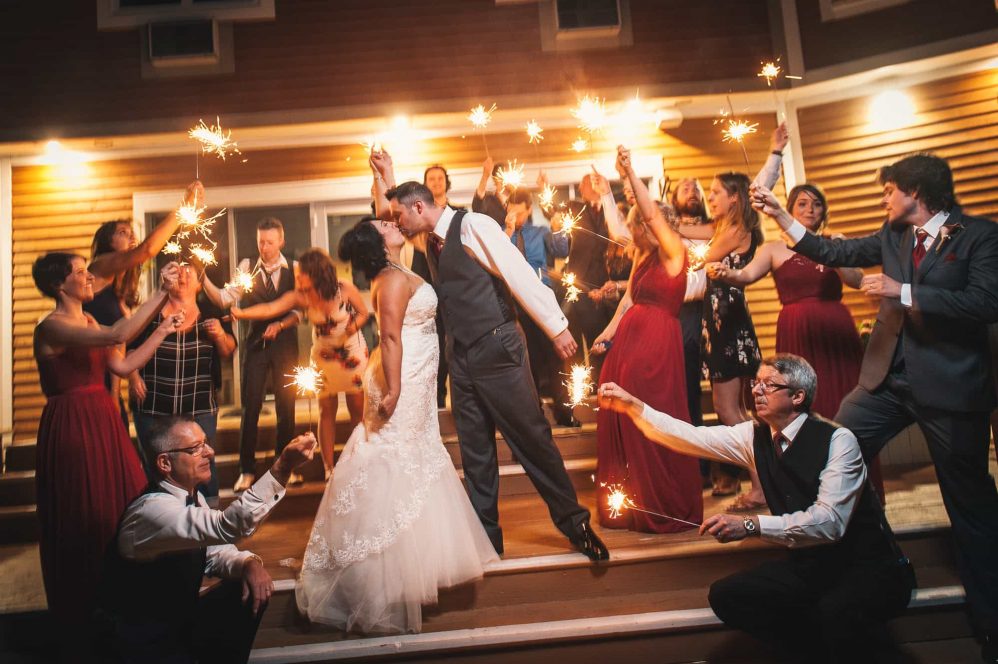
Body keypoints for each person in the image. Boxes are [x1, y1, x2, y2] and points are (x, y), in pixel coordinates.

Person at [752, 153, 998, 662]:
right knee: (831, 454)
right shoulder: (890, 237)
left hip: (950, 390)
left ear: (915, 191)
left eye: (889, 190)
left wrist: (903, 290)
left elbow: (985, 303)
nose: (884, 198)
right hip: (886, 382)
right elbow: (828, 247)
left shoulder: (978, 236)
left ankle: (991, 621)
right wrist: (779, 213)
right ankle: (860, 571)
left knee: (970, 507)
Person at [598, 354, 915, 662]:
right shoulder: (753, 436)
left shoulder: (839, 441)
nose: (756, 391)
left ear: (798, 396)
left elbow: (829, 522)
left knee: (835, 613)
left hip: (869, 569)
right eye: (755, 383)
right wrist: (633, 406)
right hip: (813, 569)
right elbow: (689, 437)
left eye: (769, 385)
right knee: (728, 595)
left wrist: (752, 525)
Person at [385, 181, 608, 562]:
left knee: (532, 440)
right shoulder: (430, 242)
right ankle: (487, 541)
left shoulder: (473, 226)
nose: (397, 223)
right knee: (475, 454)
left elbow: (518, 273)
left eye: (398, 215)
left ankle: (576, 524)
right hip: (463, 358)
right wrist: (386, 173)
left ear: (419, 207)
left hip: (498, 346)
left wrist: (556, 328)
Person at [296, 218, 498, 633]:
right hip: (400, 375)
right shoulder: (388, 281)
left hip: (418, 372)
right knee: (393, 455)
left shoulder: (398, 267)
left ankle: (410, 559)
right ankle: (372, 575)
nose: (393, 220)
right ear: (378, 243)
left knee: (413, 454)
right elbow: (389, 337)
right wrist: (394, 389)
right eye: (384, 222)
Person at [30, 253, 183, 650]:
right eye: (79, 272)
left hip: (103, 418)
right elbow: (118, 335)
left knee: (123, 504)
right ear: (59, 285)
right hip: (72, 425)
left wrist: (162, 330)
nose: (87, 276)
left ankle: (126, 606)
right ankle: (87, 618)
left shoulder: (89, 320)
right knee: (86, 513)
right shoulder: (51, 328)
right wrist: (162, 292)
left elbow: (124, 362)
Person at [707, 183, 885, 501]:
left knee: (844, 405)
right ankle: (810, 492)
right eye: (802, 203)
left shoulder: (835, 243)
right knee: (803, 408)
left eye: (817, 204)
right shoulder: (774, 249)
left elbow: (857, 280)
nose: (810, 209)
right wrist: (724, 273)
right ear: (790, 209)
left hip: (836, 332)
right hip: (797, 331)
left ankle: (858, 492)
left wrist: (836, 253)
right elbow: (745, 277)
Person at [96, 417, 317, 663]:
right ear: (165, 463)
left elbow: (215, 552)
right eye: (195, 449)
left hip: (177, 625)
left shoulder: (192, 496)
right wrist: (283, 466)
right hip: (141, 642)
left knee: (242, 588)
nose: (210, 453)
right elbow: (228, 527)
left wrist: (248, 563)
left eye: (206, 443)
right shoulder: (151, 512)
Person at [591, 146, 703, 533]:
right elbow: (627, 301)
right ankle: (632, 503)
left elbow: (651, 213)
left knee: (650, 414)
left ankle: (662, 501)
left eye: (641, 223)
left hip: (657, 342)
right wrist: (606, 336)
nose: (637, 229)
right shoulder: (641, 256)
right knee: (619, 415)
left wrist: (629, 173)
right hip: (628, 342)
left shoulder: (675, 253)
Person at [697, 126, 788, 505]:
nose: (710, 197)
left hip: (729, 325)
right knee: (739, 409)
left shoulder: (736, 229)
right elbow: (688, 229)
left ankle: (761, 483)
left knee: (728, 409)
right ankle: (767, 479)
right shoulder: (723, 226)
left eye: (716, 192)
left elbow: (700, 250)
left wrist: (775, 153)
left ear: (734, 198)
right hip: (721, 325)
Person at [231, 248, 369, 480]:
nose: (297, 278)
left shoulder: (343, 288)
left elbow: (364, 313)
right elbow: (270, 308)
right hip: (324, 357)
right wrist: (241, 313)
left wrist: (353, 327)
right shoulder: (302, 296)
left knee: (357, 411)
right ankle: (329, 469)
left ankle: (361, 462)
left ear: (315, 273)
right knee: (326, 411)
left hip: (350, 355)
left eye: (301, 274)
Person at [85, 181, 203, 427]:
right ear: (107, 242)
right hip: (88, 378)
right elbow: (147, 249)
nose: (131, 237)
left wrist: (115, 395)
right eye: (122, 233)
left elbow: (119, 345)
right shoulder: (98, 266)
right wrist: (184, 206)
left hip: (109, 382)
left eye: (132, 233)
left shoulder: (117, 291)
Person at [203, 217, 300, 492]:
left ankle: (285, 468)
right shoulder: (247, 267)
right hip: (254, 345)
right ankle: (246, 470)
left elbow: (299, 311)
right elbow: (224, 298)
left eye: (270, 242)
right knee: (251, 406)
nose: (265, 248)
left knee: (286, 405)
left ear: (281, 241)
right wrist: (204, 282)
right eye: (261, 242)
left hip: (286, 344)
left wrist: (280, 324)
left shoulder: (294, 267)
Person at [131, 264, 237, 503]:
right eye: (178, 271)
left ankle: (208, 522)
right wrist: (133, 376)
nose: (184, 275)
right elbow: (127, 346)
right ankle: (162, 518)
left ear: (200, 284)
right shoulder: (151, 313)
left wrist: (220, 335)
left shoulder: (210, 312)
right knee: (157, 466)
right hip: (154, 405)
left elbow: (228, 350)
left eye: (190, 272)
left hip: (198, 406)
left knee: (202, 462)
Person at [551, 172, 613, 427]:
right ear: (581, 187)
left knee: (601, 351)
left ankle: (602, 408)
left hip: (604, 295)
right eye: (589, 181)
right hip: (576, 292)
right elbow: (553, 212)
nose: (593, 184)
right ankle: (569, 409)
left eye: (597, 180)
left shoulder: (613, 210)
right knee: (572, 352)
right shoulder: (575, 208)